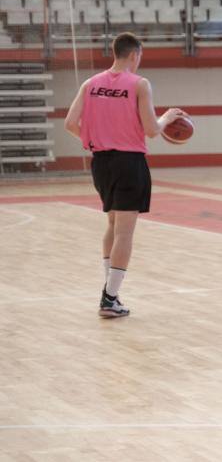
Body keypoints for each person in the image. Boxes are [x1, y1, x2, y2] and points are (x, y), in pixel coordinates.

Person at [64, 32, 186, 318]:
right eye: (140, 56)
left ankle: (110, 292)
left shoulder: (90, 83)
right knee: (124, 231)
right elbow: (152, 130)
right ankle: (109, 298)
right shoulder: (139, 84)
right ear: (134, 54)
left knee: (112, 224)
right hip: (129, 162)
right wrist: (168, 117)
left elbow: (70, 123)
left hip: (101, 161)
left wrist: (95, 137)